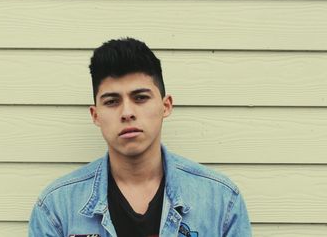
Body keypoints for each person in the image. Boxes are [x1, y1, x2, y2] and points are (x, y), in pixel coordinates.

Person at [29, 38, 252, 237]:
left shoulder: (220, 201)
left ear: (166, 106)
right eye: (111, 101)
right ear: (96, 115)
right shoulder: (57, 207)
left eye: (140, 98)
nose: (127, 112)